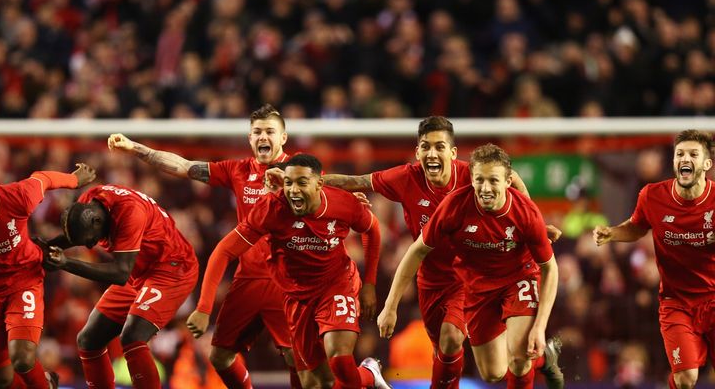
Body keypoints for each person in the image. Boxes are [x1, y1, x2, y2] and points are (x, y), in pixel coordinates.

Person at [298, 116, 562, 388]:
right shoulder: (411, 181)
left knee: (463, 340)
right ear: (417, 152)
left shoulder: (472, 177)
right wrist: (303, 181)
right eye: (426, 147)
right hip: (432, 280)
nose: (432, 153)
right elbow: (357, 182)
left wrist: (535, 226)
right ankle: (543, 358)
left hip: (468, 275)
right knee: (481, 367)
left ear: (453, 153)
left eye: (439, 147)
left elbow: (511, 178)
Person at [106, 104, 300, 388]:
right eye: (257, 132)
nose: (263, 137)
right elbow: (184, 166)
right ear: (249, 138)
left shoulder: (300, 170)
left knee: (298, 359)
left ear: (283, 137)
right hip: (248, 278)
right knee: (220, 357)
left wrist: (348, 194)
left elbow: (324, 192)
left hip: (287, 278)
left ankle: (364, 376)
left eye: (270, 131)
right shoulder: (238, 170)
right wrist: (137, 149)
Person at [187, 154, 390, 388]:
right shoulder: (271, 209)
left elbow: (372, 229)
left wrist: (370, 284)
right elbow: (224, 250)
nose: (293, 190)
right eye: (289, 183)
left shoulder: (343, 203)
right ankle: (368, 373)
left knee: (340, 359)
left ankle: (362, 372)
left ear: (319, 184)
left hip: (337, 284)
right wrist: (203, 307)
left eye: (302, 183)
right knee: (318, 384)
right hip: (297, 297)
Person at [378, 143, 561, 389]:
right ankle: (544, 359)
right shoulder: (455, 206)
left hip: (519, 278)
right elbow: (417, 251)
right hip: (478, 287)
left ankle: (531, 355)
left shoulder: (525, 212)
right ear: (471, 179)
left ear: (508, 181)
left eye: (493, 181)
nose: (485, 188)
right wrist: (390, 306)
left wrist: (539, 327)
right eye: (479, 180)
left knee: (518, 358)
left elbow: (550, 268)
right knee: (493, 373)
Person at [0, 154, 95, 389]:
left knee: (22, 358)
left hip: (23, 281)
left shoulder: (17, 197)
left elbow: (43, 178)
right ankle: (45, 383)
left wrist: (74, 179)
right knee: (2, 380)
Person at [42, 183, 199, 389]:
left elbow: (119, 273)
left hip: (171, 270)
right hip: (139, 269)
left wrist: (66, 263)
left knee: (133, 336)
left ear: (97, 220)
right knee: (89, 340)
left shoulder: (130, 213)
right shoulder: (89, 203)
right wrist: (43, 248)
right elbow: (78, 234)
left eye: (91, 240)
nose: (90, 245)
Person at [593, 129, 715, 389]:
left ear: (707, 164)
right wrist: (612, 233)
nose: (685, 158)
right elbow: (637, 227)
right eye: (680, 153)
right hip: (676, 302)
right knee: (686, 378)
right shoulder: (652, 196)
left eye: (693, 154)